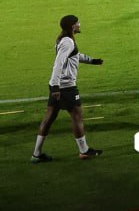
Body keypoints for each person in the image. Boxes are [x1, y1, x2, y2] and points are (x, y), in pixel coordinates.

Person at [31, 15, 103, 163]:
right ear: (72, 26)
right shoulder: (67, 42)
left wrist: (92, 61)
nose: (80, 24)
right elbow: (58, 63)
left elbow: (75, 55)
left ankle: (36, 154)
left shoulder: (65, 40)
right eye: (77, 23)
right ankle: (84, 151)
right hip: (65, 87)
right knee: (77, 116)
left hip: (58, 86)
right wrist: (56, 87)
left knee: (49, 118)